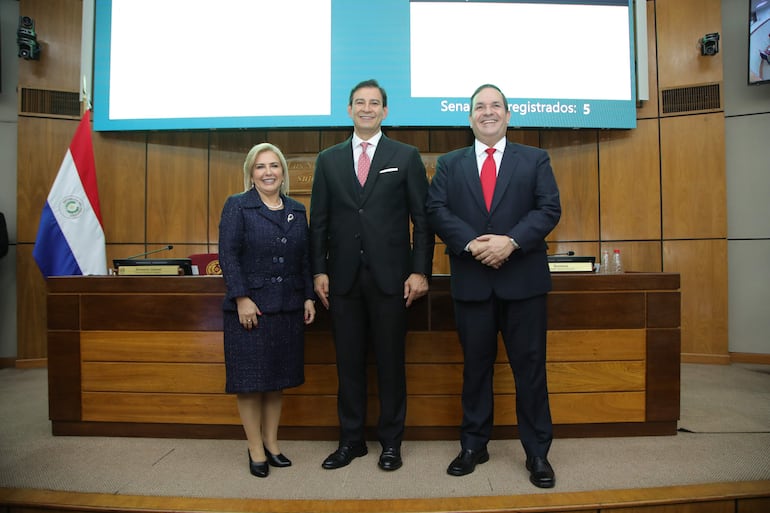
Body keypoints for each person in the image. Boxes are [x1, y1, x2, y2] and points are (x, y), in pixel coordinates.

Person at [426, 84, 561, 488]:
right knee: (475, 370)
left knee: (530, 371)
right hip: (473, 283)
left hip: (524, 282)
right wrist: (471, 243)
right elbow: (436, 209)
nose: (488, 112)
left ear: (508, 114)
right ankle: (473, 445)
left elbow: (549, 208)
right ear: (469, 117)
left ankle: (537, 453)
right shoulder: (450, 163)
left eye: (495, 106)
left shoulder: (535, 159)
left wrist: (511, 242)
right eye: (479, 107)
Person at [309, 79, 435, 472]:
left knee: (391, 364)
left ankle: (391, 443)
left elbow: (422, 219)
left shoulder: (406, 155)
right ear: (349, 110)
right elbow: (319, 223)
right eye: (359, 103)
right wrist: (318, 271)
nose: (366, 108)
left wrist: (420, 270)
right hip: (342, 281)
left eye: (374, 103)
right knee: (347, 366)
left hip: (392, 280)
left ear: (385, 111)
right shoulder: (328, 159)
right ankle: (350, 442)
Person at [218, 142, 316, 478]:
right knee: (250, 383)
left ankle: (272, 444)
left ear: (283, 173)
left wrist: (307, 297)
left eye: (274, 166)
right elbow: (228, 256)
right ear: (250, 173)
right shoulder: (237, 206)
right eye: (260, 167)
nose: (268, 172)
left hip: (288, 308)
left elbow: (304, 259)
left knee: (277, 381)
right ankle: (255, 447)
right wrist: (241, 297)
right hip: (251, 310)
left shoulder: (297, 210)